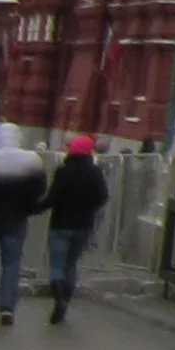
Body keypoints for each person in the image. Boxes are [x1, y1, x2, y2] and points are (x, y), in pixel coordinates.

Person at [0, 126, 48, 330]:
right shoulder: (30, 161)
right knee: (11, 264)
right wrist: (29, 208)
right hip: (15, 220)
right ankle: (7, 308)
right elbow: (39, 188)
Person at [42, 136, 109, 324]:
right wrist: (89, 209)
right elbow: (102, 197)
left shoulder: (63, 171)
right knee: (71, 264)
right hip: (83, 225)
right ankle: (66, 300)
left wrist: (33, 208)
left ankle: (59, 299)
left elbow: (52, 198)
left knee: (57, 266)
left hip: (60, 224)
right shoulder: (95, 172)